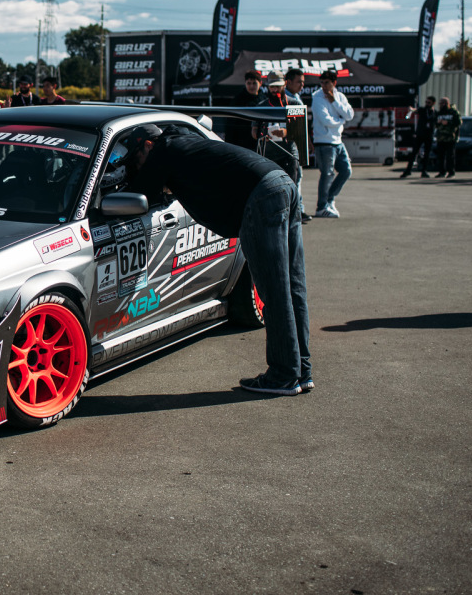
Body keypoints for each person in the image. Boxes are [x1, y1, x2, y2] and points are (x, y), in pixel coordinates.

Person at [121, 123, 310, 396]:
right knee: (293, 287)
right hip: (282, 182)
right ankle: (302, 370)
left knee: (274, 290)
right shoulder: (186, 142)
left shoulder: (163, 149)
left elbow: (141, 193)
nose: (138, 166)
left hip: (262, 195)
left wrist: (134, 177)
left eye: (137, 159)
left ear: (148, 145)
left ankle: (283, 376)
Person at [310, 69, 354, 217]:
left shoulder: (339, 96)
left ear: (334, 83)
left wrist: (334, 101)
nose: (323, 86)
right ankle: (321, 207)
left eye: (326, 82)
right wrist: (340, 121)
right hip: (323, 142)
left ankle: (329, 199)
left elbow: (349, 114)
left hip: (338, 142)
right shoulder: (317, 97)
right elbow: (325, 119)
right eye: (321, 82)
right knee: (327, 174)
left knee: (346, 171)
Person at [258, 72, 299, 184]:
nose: (275, 90)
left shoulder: (294, 104)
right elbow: (254, 131)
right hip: (269, 156)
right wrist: (263, 136)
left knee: (291, 188)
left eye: (277, 86)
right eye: (272, 87)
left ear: (284, 84)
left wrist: (285, 132)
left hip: (289, 155)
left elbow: (300, 131)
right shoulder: (262, 106)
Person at [282, 68, 311, 223]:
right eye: (299, 82)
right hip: (289, 147)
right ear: (289, 82)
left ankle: (298, 209)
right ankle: (296, 210)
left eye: (303, 82)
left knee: (298, 177)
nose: (302, 85)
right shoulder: (287, 100)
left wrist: (307, 142)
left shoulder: (296, 98)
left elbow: (301, 126)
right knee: (295, 178)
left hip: (298, 144)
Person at [225, 70, 263, 149]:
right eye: (249, 83)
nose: (251, 86)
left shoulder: (265, 100)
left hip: (260, 142)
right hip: (241, 143)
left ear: (260, 83)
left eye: (254, 83)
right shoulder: (237, 101)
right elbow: (230, 125)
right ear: (245, 83)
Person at [401, 96, 437, 179]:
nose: (427, 104)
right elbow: (415, 110)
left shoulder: (435, 113)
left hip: (429, 135)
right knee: (414, 152)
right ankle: (408, 170)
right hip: (420, 134)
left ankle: (424, 171)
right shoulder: (423, 110)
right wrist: (411, 109)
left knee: (427, 154)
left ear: (433, 103)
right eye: (426, 102)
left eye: (429, 102)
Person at [434, 96, 461, 178]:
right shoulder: (439, 113)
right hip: (440, 138)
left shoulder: (453, 112)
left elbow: (458, 123)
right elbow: (435, 124)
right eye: (439, 103)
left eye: (441, 103)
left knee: (450, 156)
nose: (440, 105)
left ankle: (451, 172)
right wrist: (438, 123)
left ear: (446, 103)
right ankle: (441, 172)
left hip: (450, 138)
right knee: (440, 156)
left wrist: (448, 123)